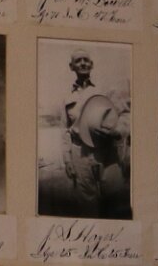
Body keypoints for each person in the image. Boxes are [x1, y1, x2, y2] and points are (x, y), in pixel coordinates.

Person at [57, 52, 133, 220]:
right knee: (87, 206)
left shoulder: (105, 89)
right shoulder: (67, 96)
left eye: (86, 60)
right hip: (80, 154)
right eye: (78, 61)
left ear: (92, 65)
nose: (83, 63)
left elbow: (125, 115)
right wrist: (68, 160)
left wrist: (117, 131)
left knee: (115, 202)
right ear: (71, 67)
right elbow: (64, 129)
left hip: (107, 153)